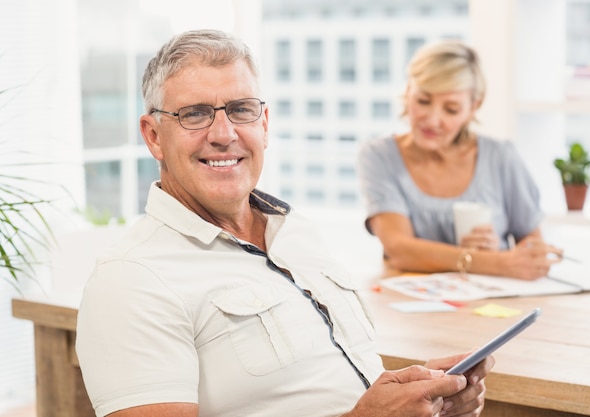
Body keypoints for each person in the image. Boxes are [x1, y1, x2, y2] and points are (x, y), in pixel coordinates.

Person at [75, 29, 493, 417]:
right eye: (195, 114)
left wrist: (422, 397)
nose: (224, 134)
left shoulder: (296, 234)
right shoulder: (131, 280)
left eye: (241, 110)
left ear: (264, 124)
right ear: (153, 136)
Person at [357, 39, 562, 281]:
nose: (432, 120)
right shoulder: (380, 156)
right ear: (407, 91)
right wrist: (492, 262)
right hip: (411, 306)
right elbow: (400, 249)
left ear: (474, 106)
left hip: (494, 303)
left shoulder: (501, 157)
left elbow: (533, 247)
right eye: (423, 101)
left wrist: (496, 252)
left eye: (451, 109)